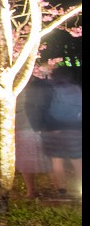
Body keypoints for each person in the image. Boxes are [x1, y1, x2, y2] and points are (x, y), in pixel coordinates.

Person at [41, 67, 82, 199]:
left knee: (57, 160)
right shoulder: (77, 89)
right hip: (75, 129)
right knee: (77, 160)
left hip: (54, 129)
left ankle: (61, 189)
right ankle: (80, 190)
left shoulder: (50, 89)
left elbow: (45, 109)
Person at [15, 74, 52, 198]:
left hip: (23, 126)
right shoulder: (31, 90)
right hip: (30, 126)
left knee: (27, 160)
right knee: (32, 159)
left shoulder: (17, 91)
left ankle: (31, 190)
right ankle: (32, 190)